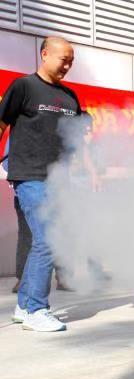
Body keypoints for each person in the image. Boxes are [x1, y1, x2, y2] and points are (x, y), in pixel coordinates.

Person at [1, 37, 99, 332]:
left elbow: (75, 139)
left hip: (58, 179)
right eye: (63, 60)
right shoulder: (24, 87)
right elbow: (1, 123)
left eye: (71, 61)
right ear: (44, 55)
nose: (67, 66)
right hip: (29, 176)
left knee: (39, 241)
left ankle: (24, 306)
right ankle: (37, 309)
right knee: (47, 240)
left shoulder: (70, 97)